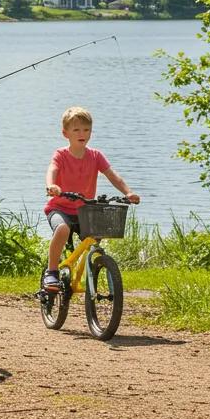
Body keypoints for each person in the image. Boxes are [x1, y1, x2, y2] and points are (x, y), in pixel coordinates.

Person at [42, 106, 140, 290]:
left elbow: (112, 175)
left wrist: (128, 192)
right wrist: (52, 185)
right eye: (76, 130)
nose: (82, 133)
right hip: (59, 208)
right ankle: (52, 272)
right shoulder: (61, 155)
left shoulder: (95, 156)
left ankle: (87, 270)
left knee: (96, 236)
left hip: (83, 210)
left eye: (86, 130)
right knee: (62, 229)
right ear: (66, 133)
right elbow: (52, 169)